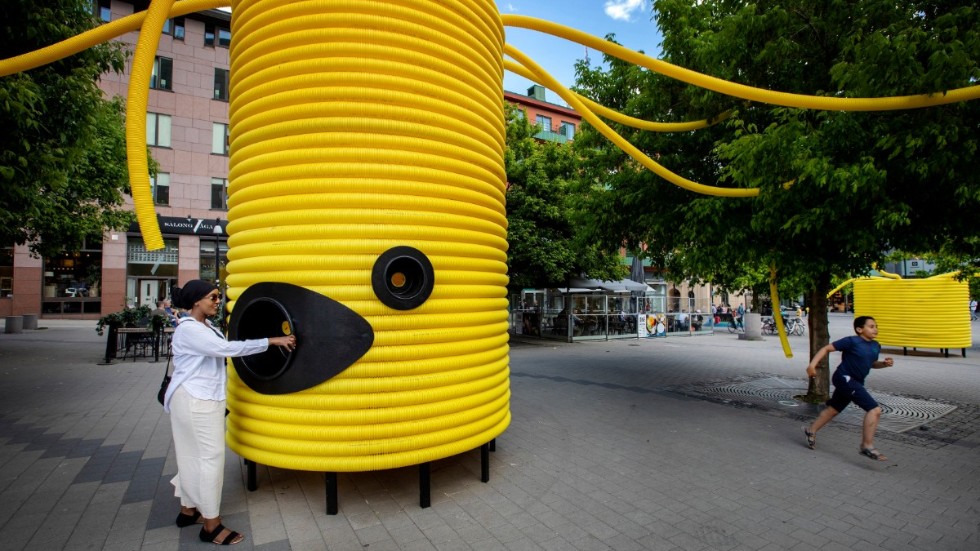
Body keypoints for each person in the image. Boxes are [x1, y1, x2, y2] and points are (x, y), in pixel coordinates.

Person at [163, 280, 296, 545]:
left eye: (218, 297)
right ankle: (211, 525)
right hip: (198, 400)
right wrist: (272, 340)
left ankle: (188, 511)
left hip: (191, 398)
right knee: (210, 459)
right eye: (212, 297)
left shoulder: (204, 326)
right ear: (196, 301)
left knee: (190, 455)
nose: (217, 301)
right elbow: (227, 349)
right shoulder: (190, 330)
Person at [802, 316, 894, 461]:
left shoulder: (876, 346)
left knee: (833, 410)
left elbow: (871, 364)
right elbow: (826, 348)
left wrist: (884, 364)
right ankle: (866, 445)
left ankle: (810, 430)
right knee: (874, 410)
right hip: (844, 378)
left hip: (856, 382)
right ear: (859, 329)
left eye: (876, 326)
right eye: (871, 326)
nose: (875, 329)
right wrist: (812, 365)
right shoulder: (851, 341)